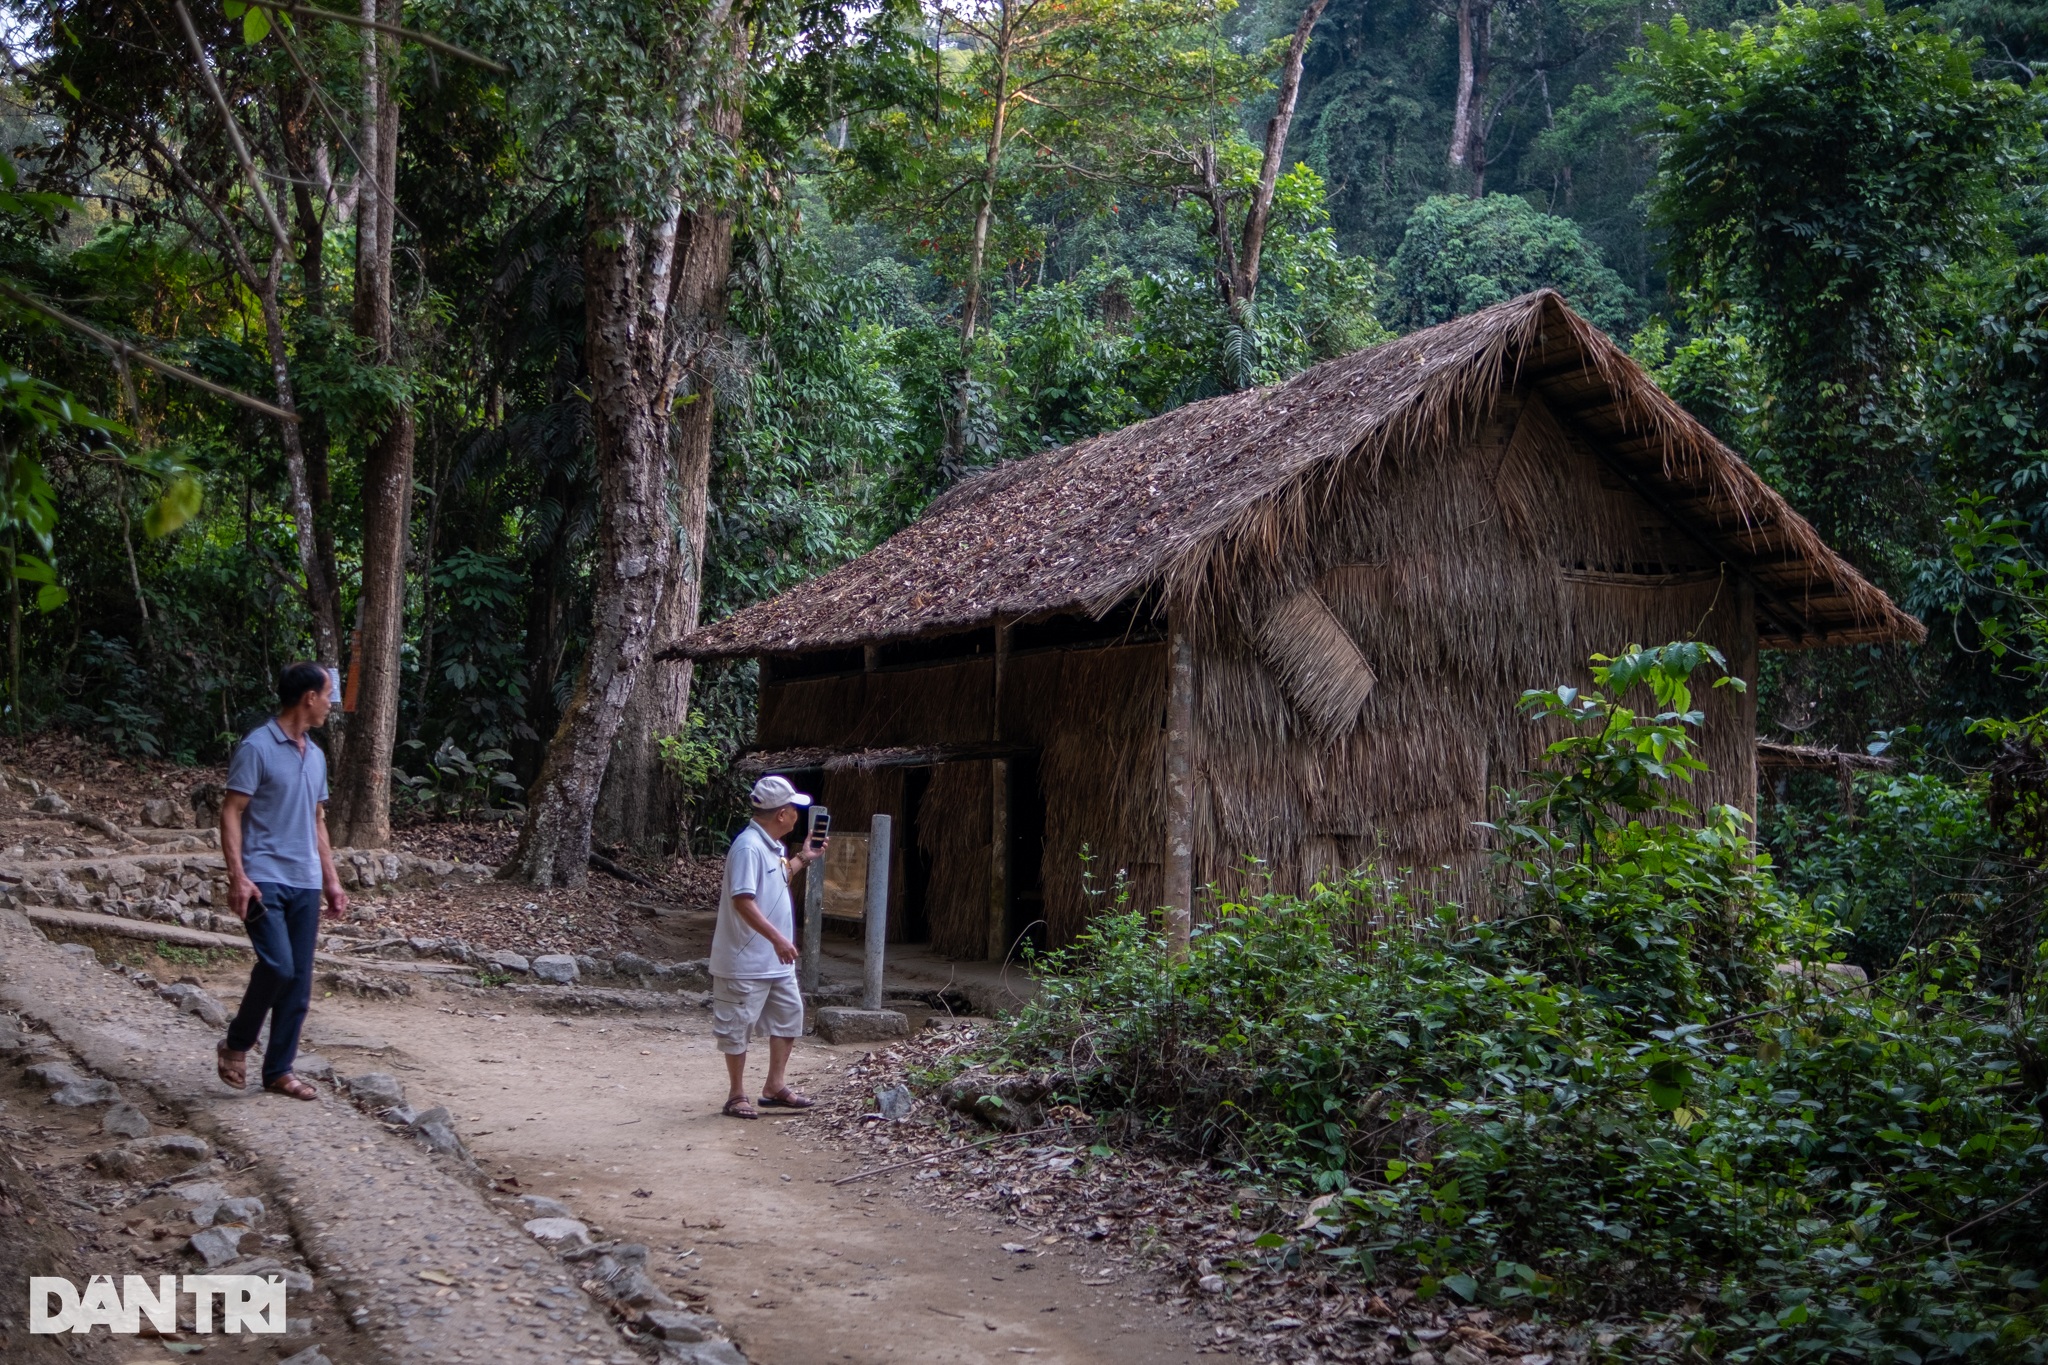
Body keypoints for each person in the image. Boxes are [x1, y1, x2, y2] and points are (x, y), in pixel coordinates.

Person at [214, 662, 350, 1099]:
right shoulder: (257, 747)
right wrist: (238, 876)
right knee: (278, 965)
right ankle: (237, 1043)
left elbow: (317, 819)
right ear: (309, 697)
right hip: (264, 878)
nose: (332, 703)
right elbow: (231, 810)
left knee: (299, 981)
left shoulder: (316, 754)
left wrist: (331, 879)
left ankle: (278, 1071)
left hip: (305, 880)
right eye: (328, 694)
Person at [712, 774, 827, 1119]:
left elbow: (778, 878)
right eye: (793, 809)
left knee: (788, 1018)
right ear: (781, 815)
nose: (796, 814)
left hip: (776, 960)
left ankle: (774, 1086)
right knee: (737, 1026)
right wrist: (778, 938)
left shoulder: (771, 846)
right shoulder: (748, 847)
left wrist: (804, 858)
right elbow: (743, 901)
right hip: (745, 960)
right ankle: (736, 1095)